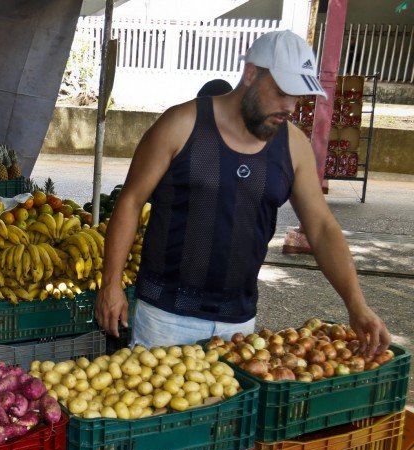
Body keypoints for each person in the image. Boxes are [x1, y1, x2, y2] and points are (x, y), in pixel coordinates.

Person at [94, 30, 391, 360]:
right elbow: (131, 201)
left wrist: (357, 305)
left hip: (238, 325)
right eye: (281, 92)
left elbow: (321, 228)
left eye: (297, 97)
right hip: (165, 317)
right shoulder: (180, 124)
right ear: (251, 74)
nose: (290, 107)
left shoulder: (293, 146)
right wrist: (111, 284)